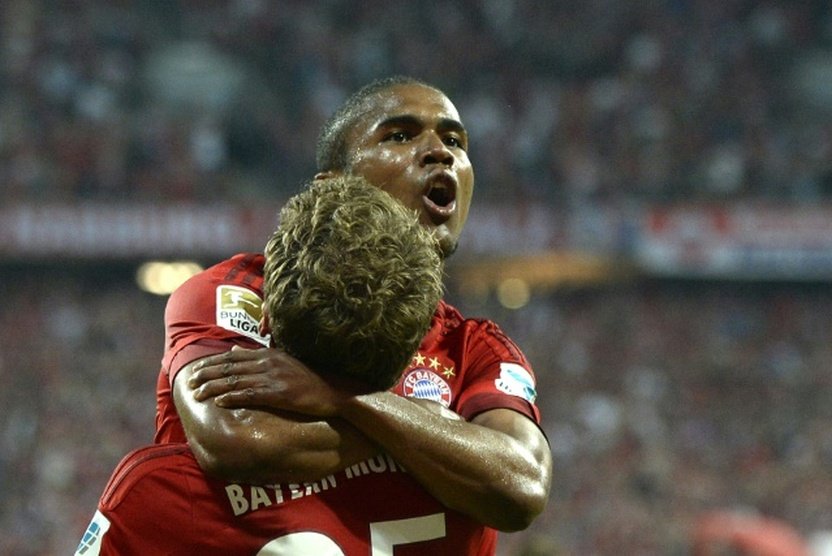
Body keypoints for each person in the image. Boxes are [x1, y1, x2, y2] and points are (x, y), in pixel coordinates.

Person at [154, 76, 552, 535]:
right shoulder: (235, 291)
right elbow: (235, 439)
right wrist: (436, 430)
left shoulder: (476, 349)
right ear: (332, 186)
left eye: (454, 140)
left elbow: (520, 488)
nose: (441, 152)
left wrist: (345, 399)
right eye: (400, 136)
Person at [78, 174, 497, 554]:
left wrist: (344, 402)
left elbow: (230, 440)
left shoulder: (159, 493)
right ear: (412, 350)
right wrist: (422, 421)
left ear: (266, 320)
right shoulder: (465, 500)